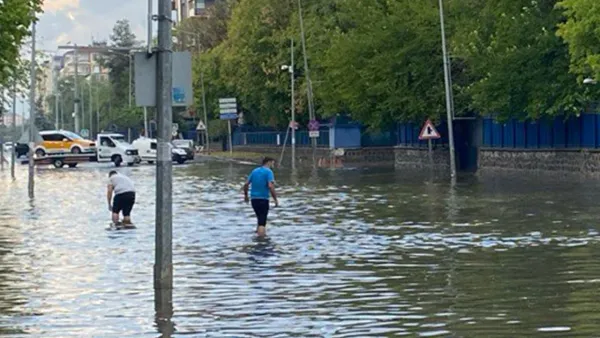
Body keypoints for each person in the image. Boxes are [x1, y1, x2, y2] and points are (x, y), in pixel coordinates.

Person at [243, 157, 279, 237]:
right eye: (272, 163)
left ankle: (257, 235)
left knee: (259, 218)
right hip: (263, 199)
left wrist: (246, 195)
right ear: (268, 162)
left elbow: (246, 184)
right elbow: (270, 186)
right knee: (262, 221)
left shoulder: (254, 171)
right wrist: (275, 199)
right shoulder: (269, 172)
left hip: (254, 199)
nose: (273, 165)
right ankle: (262, 242)